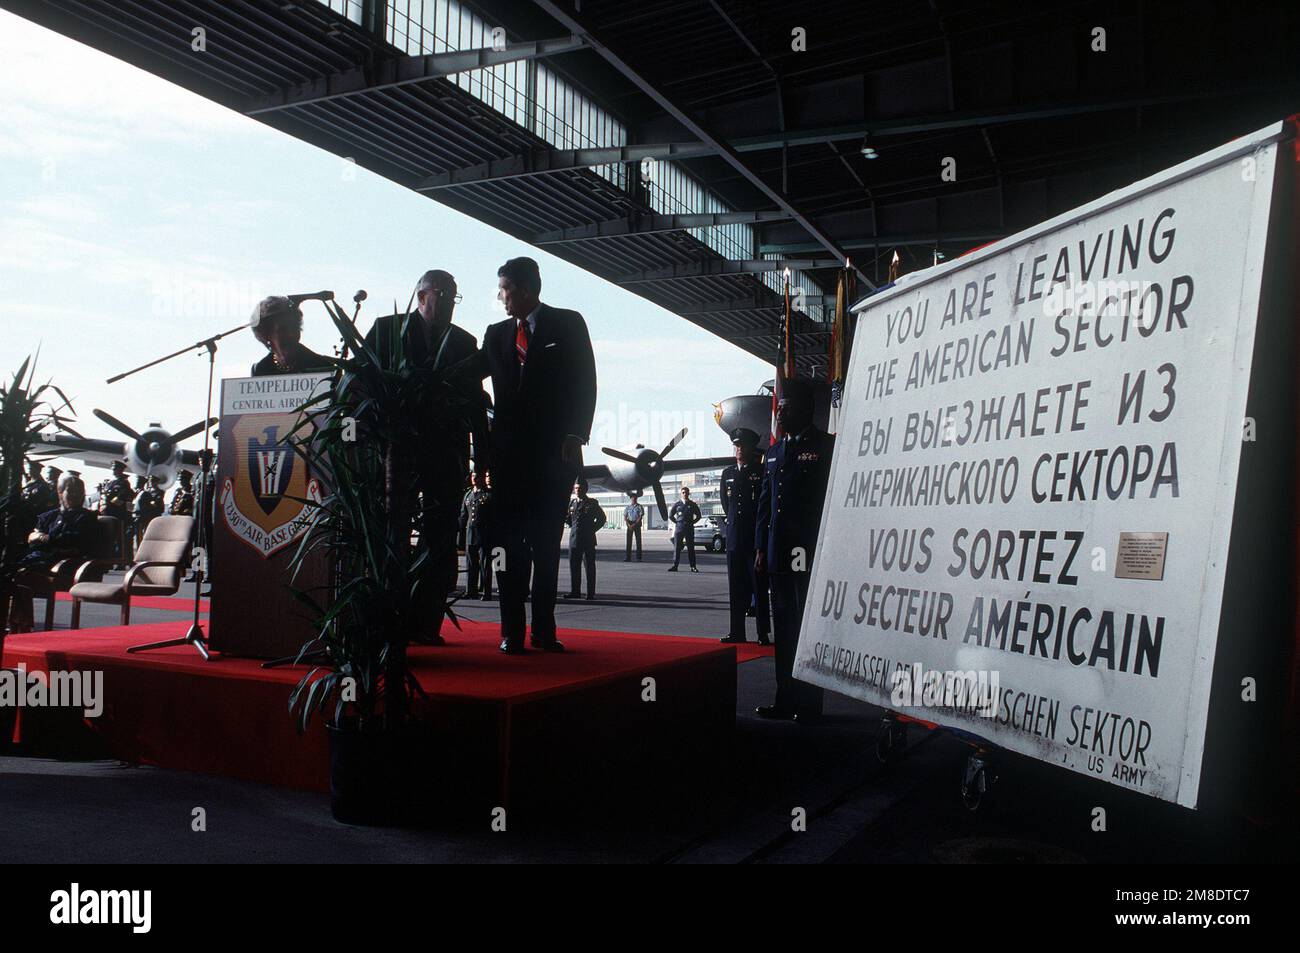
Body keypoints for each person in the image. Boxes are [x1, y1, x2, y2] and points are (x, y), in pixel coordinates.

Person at [365, 269, 490, 645]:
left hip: (446, 457)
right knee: (393, 534)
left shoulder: (465, 343)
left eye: (455, 296)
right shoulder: (386, 330)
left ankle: (425, 623)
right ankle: (387, 621)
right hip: (394, 455)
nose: (450, 302)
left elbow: (476, 406)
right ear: (421, 296)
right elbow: (360, 386)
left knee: (439, 541)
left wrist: (482, 462)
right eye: (444, 294)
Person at [480, 256, 597, 655]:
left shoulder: (568, 324)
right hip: (508, 462)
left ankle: (544, 631)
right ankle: (511, 632)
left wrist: (576, 433)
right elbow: (466, 373)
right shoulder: (495, 334)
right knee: (508, 550)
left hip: (553, 458)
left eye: (506, 289)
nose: (501, 297)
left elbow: (586, 382)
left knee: (546, 546)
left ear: (527, 289)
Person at [755, 378, 834, 723]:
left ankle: (809, 702)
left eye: (786, 406)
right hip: (777, 553)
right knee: (784, 627)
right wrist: (760, 548)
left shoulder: (825, 447)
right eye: (779, 406)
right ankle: (785, 698)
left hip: (807, 550)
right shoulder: (774, 452)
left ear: (805, 409)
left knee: (804, 628)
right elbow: (765, 505)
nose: (780, 412)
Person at [8, 472, 95, 632]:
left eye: (80, 491)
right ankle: (18, 623)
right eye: (72, 490)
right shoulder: (49, 516)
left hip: (64, 566)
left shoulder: (86, 517)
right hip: (39, 561)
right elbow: (31, 536)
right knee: (9, 572)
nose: (77, 495)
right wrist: (44, 537)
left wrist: (42, 537)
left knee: (22, 575)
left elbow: (72, 540)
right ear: (60, 493)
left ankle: (22, 625)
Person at [719, 427, 770, 646]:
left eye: (743, 446)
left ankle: (762, 633)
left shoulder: (760, 472)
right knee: (735, 587)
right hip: (734, 539)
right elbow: (726, 503)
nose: (739, 449)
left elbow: (762, 507)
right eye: (736, 446)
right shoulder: (728, 474)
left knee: (758, 587)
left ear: (751, 448)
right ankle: (737, 631)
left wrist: (760, 543)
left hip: (752, 539)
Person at [250, 296, 334, 376]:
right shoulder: (260, 370)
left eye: (294, 327)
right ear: (266, 335)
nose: (291, 334)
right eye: (283, 330)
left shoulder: (322, 366)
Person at [564, 478, 606, 601]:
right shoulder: (572, 503)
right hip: (574, 540)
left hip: (588, 540)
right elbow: (569, 519)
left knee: (589, 567)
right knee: (574, 567)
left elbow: (602, 519)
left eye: (580, 488)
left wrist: (591, 530)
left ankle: (590, 593)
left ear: (585, 489)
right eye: (576, 488)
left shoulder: (592, 503)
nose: (577, 490)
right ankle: (575, 591)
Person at [459, 469, 494, 599]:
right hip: (470, 534)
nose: (474, 478)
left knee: (484, 564)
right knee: (471, 564)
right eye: (473, 476)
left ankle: (486, 591)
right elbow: (463, 516)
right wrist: (460, 535)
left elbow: (493, 517)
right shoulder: (468, 495)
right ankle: (471, 590)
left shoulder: (488, 495)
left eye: (477, 476)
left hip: (484, 534)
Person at [99, 460, 135, 568]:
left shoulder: (124, 483)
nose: (113, 470)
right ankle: (110, 561)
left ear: (121, 470)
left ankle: (121, 561)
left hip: (118, 515)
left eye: (116, 469)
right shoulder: (109, 483)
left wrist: (109, 502)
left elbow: (121, 499)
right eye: (113, 468)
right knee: (109, 539)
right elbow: (103, 496)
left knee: (120, 539)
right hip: (107, 513)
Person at [667, 485, 701, 572]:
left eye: (686, 492)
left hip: (689, 528)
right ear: (681, 494)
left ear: (689, 494)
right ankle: (675, 565)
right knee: (677, 547)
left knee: (690, 548)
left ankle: (693, 566)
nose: (685, 494)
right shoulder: (677, 504)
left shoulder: (692, 504)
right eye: (683, 492)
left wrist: (692, 522)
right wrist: (677, 522)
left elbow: (698, 515)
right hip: (679, 528)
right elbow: (670, 515)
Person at [133, 475, 166, 546]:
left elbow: (157, 503)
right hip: (145, 514)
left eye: (153, 481)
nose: (151, 483)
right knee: (142, 534)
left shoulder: (160, 492)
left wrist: (151, 503)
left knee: (152, 533)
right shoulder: (146, 491)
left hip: (154, 514)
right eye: (150, 481)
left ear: (157, 482)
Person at [622, 490, 644, 562]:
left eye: (635, 498)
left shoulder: (639, 507)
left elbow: (640, 517)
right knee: (628, 542)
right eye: (632, 498)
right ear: (631, 499)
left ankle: (639, 558)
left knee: (638, 542)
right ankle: (628, 557)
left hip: (636, 524)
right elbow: (625, 517)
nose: (634, 499)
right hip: (629, 524)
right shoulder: (628, 507)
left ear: (636, 499)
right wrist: (629, 525)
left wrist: (634, 524)